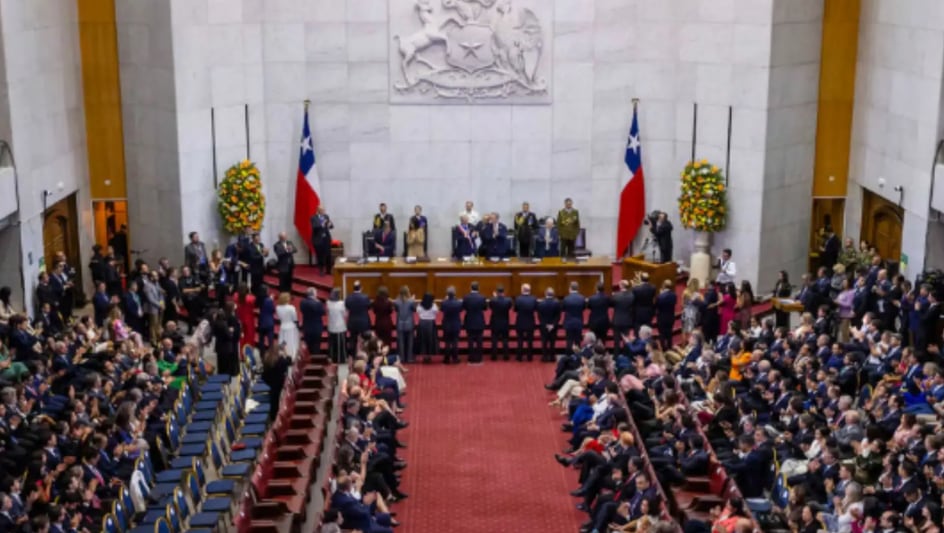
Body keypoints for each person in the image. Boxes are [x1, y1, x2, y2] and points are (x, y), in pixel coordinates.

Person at [261, 344, 291, 421]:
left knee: (274, 403)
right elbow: (289, 361)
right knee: (277, 402)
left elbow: (263, 376)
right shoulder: (280, 360)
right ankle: (276, 419)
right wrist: (285, 353)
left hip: (271, 384)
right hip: (278, 385)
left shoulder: (267, 358)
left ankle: (273, 419)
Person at [214, 302, 241, 376]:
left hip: (223, 343)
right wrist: (233, 331)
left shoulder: (222, 318)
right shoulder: (230, 318)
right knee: (228, 361)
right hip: (228, 343)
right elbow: (230, 331)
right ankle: (231, 373)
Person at [463, 282, 487, 364]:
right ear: (478, 288)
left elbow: (464, 307)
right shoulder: (482, 297)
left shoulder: (466, 297)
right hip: (479, 320)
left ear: (471, 288)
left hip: (469, 320)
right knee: (479, 340)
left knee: (470, 340)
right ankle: (479, 358)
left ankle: (471, 357)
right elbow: (485, 308)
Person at [345, 282, 371, 355]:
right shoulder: (365, 297)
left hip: (353, 322)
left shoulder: (348, 298)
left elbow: (347, 307)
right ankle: (366, 354)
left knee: (352, 340)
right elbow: (368, 307)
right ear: (361, 288)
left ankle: (352, 355)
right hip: (363, 322)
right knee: (365, 340)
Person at [537, 287, 562, 362]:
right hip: (553, 326)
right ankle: (552, 357)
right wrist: (553, 325)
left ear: (545, 294)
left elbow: (539, 316)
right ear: (553, 294)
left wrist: (545, 324)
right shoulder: (557, 303)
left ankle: (544, 357)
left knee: (544, 341)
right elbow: (558, 316)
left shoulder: (541, 304)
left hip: (544, 325)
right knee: (552, 342)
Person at [515, 284, 538, 361]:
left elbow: (515, 309)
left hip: (520, 321)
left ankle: (519, 357)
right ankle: (529, 356)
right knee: (530, 340)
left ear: (522, 290)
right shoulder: (533, 299)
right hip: (530, 321)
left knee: (520, 340)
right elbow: (536, 309)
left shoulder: (518, 299)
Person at [489, 286, 512, 361]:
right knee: (505, 339)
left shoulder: (493, 300)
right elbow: (509, 307)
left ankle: (494, 356)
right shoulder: (508, 300)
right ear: (503, 292)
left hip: (495, 322)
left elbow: (491, 306)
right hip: (505, 322)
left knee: (494, 339)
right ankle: (506, 356)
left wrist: (495, 297)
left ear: (497, 292)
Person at [562, 282, 586, 352]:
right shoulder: (582, 298)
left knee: (569, 341)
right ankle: (577, 356)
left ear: (570, 288)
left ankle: (569, 356)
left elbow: (563, 309)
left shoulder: (566, 299)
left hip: (569, 322)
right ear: (578, 288)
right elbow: (583, 308)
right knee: (578, 341)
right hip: (578, 322)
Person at [394, 287, 415, 364]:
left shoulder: (397, 302)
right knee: (410, 341)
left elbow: (396, 310)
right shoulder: (411, 301)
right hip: (409, 323)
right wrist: (412, 299)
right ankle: (409, 358)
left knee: (401, 342)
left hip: (400, 323)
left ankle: (401, 358)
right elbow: (414, 309)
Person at [441, 287, 462, 364]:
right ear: (455, 293)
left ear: (447, 294)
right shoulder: (458, 303)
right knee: (455, 341)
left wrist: (445, 300)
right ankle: (455, 358)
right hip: (455, 323)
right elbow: (461, 310)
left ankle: (446, 359)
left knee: (447, 342)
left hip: (447, 324)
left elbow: (442, 310)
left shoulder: (444, 303)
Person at [300, 287, 324, 356]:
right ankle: (315, 359)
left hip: (307, 327)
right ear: (314, 294)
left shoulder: (303, 302)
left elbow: (302, 310)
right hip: (316, 328)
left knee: (308, 346)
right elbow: (323, 312)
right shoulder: (318, 303)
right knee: (316, 346)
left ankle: (309, 359)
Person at [311, 205, 334, 275]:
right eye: (322, 210)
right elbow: (315, 227)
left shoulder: (326, 216)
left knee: (328, 254)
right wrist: (322, 223)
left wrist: (330, 224)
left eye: (324, 210)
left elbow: (331, 226)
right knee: (320, 255)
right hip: (318, 239)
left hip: (326, 239)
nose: (324, 211)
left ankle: (328, 270)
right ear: (318, 210)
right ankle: (321, 270)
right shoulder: (313, 217)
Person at [276, 292, 299, 360]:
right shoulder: (291, 308)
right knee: (291, 342)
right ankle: (291, 356)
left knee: (283, 342)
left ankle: (282, 355)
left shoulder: (277, 308)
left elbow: (279, 318)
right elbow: (295, 318)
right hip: (291, 327)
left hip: (283, 326)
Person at [326, 288, 347, 364]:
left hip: (331, 326)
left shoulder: (328, 303)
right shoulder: (341, 303)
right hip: (340, 327)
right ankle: (341, 359)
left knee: (332, 344)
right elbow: (345, 314)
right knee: (341, 345)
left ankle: (332, 358)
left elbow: (327, 313)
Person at [416, 293, 438, 363]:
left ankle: (424, 355)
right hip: (431, 323)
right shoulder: (433, 305)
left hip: (422, 322)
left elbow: (418, 311)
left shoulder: (420, 305)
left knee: (423, 339)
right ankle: (429, 355)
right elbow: (436, 312)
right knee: (430, 339)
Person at [655, 279, 677, 349]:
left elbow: (657, 306)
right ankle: (669, 347)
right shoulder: (674, 295)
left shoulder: (660, 296)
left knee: (662, 334)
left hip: (662, 317)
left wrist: (661, 294)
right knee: (669, 333)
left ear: (664, 286)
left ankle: (663, 349)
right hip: (670, 317)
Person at [235, 284, 257, 349]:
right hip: (249, 320)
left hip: (239, 318)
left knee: (242, 337)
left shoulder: (236, 296)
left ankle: (242, 352)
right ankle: (248, 353)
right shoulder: (251, 298)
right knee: (249, 337)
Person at [257, 288, 275, 353]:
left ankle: (262, 354)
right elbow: (273, 310)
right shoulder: (269, 301)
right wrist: (271, 300)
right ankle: (271, 354)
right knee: (270, 341)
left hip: (261, 321)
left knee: (261, 340)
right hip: (269, 323)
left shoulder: (259, 300)